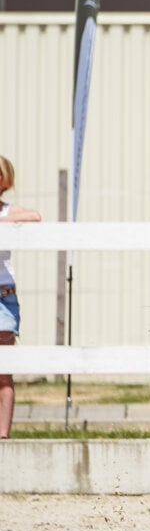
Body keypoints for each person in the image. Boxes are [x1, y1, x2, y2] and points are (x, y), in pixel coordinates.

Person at [0, 154, 42, 439]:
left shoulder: (8, 211)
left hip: (4, 297)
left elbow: (35, 216)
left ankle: (3, 435)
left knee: (4, 372)